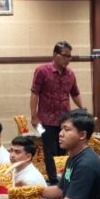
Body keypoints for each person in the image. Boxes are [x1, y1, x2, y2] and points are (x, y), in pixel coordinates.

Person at [31, 41, 83, 184]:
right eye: (65, 55)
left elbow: (75, 93)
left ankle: (65, 179)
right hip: (44, 120)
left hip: (65, 121)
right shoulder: (42, 71)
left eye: (70, 56)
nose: (67, 59)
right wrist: (34, 116)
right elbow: (35, 94)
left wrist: (83, 109)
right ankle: (54, 181)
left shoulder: (70, 74)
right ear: (55, 55)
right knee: (50, 151)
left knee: (64, 149)